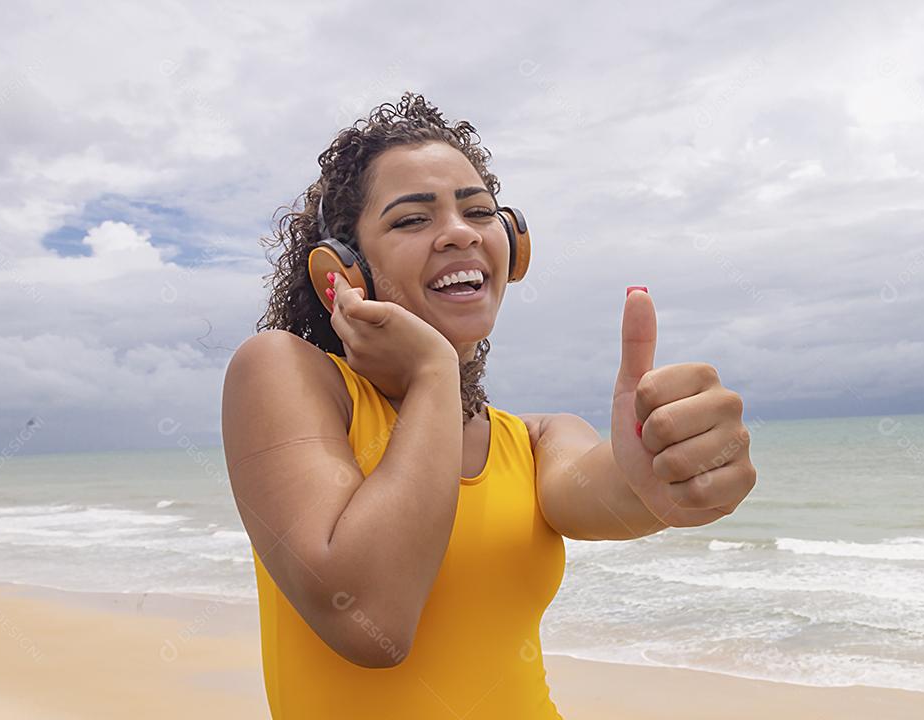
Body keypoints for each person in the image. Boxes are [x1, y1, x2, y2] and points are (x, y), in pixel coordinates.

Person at [221, 91, 756, 719]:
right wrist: (431, 373)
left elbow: (619, 491)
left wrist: (674, 473)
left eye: (478, 212)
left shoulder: (534, 440)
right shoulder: (282, 372)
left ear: (513, 245)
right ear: (343, 273)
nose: (457, 233)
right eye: (411, 220)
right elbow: (368, 619)